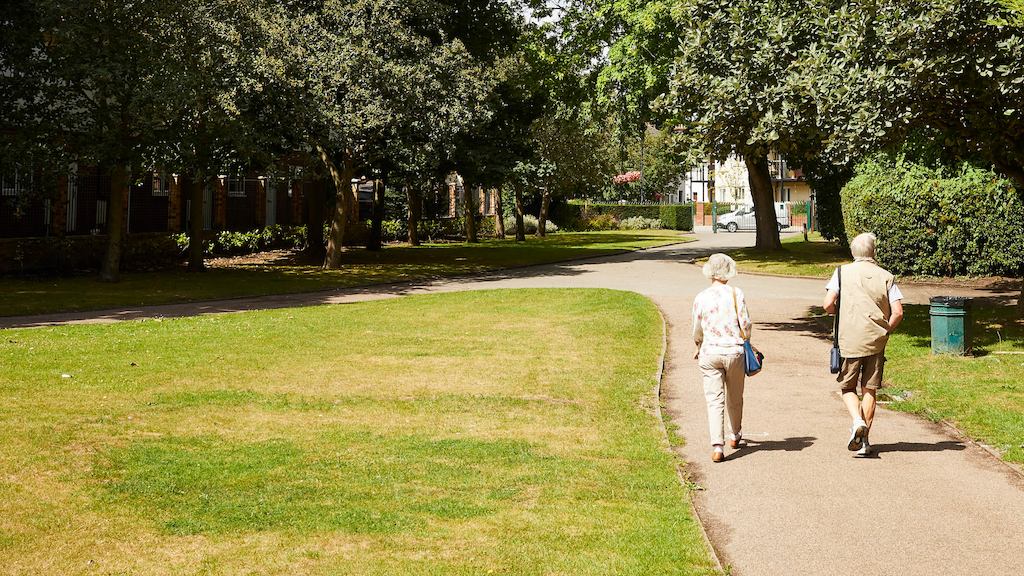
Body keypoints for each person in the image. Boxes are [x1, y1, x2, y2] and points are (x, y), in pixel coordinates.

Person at [824, 232, 904, 457]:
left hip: (849, 338)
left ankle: (857, 421)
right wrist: (886, 329)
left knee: (848, 387)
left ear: (852, 252)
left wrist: (838, 311)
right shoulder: (886, 276)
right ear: (874, 252)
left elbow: (828, 304)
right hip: (876, 340)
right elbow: (898, 311)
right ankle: (864, 441)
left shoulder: (841, 273)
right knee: (870, 389)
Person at [692, 253, 753, 463]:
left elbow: (697, 328)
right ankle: (735, 434)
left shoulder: (701, 296)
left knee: (714, 400)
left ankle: (717, 446)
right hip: (734, 351)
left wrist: (698, 345)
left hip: (710, 352)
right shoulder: (736, 293)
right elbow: (745, 323)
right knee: (735, 397)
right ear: (729, 271)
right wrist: (747, 339)